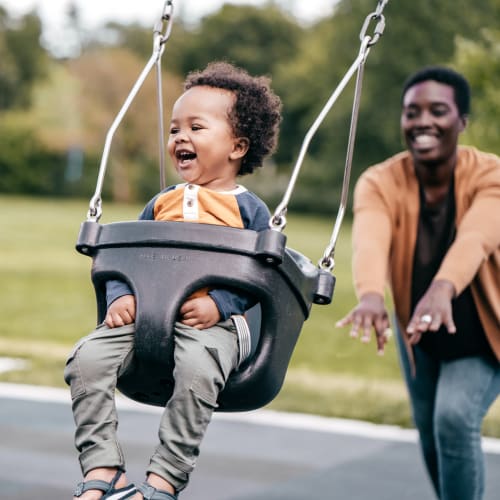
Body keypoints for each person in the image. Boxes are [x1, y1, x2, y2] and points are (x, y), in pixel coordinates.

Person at [65, 61, 282, 500]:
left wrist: (219, 303)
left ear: (237, 146)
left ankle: (165, 479)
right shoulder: (160, 202)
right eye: (174, 129)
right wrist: (120, 297)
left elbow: (258, 274)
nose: (180, 137)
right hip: (147, 313)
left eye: (196, 127)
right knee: (85, 360)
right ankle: (103, 468)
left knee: (198, 373)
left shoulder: (250, 210)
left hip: (214, 325)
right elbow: (128, 257)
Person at [336, 66, 500, 500]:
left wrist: (444, 287)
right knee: (431, 436)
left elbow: (478, 238)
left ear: (462, 121)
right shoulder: (380, 181)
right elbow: (370, 240)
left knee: (452, 418)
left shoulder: (491, 175)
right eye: (412, 112)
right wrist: (371, 294)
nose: (423, 121)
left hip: (484, 333)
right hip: (419, 331)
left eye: (438, 110)